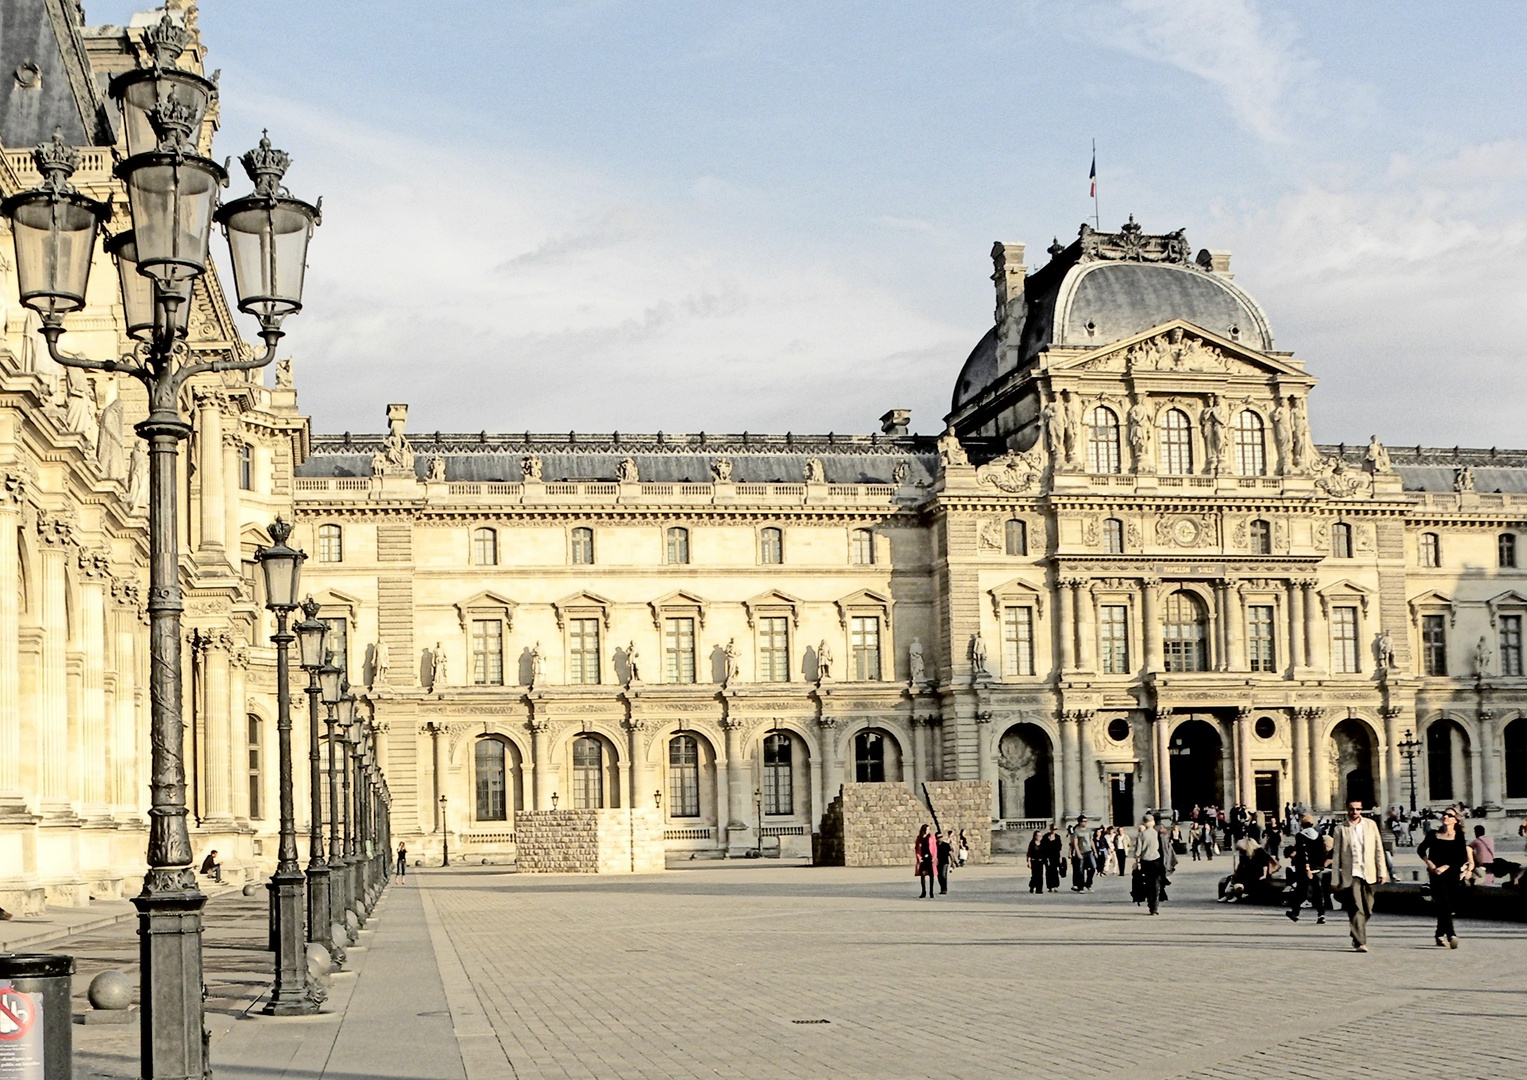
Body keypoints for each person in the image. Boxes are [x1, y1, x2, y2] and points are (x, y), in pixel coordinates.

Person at [1330, 799, 1389, 952]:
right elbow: (1336, 856)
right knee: (1356, 907)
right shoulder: (1340, 829)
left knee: (1368, 908)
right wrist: (1335, 878)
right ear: (1347, 809)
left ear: (1362, 810)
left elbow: (1378, 849)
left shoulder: (1371, 825)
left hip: (1368, 871)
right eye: (1352, 809)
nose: (1354, 812)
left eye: (1358, 809)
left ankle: (1355, 930)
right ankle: (1361, 941)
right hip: (1351, 873)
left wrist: (1382, 871)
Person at [1418, 809, 1473, 947]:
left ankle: (1438, 933)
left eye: (1450, 815)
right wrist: (1429, 863)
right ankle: (1451, 934)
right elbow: (1421, 849)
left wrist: (1446, 866)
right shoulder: (1433, 834)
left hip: (1452, 874)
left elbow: (1461, 857)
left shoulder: (1459, 836)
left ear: (1456, 820)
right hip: (1436, 875)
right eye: (1444, 814)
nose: (1446, 817)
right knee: (1444, 903)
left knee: (1448, 905)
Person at [1285, 814, 1328, 925]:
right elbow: (1322, 851)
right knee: (1318, 891)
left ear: (1302, 824)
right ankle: (1321, 914)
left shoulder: (1300, 836)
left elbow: (1304, 853)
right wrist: (1320, 866)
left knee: (1301, 891)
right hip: (1317, 867)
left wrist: (1307, 868)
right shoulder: (1318, 835)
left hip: (1305, 868)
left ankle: (1295, 913)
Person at [1132, 814, 1165, 915]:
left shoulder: (1142, 834)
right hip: (1156, 860)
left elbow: (1138, 851)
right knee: (1156, 884)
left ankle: (1150, 904)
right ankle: (1154, 906)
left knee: (1147, 883)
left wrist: (1136, 862)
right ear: (1153, 822)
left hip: (1145, 861)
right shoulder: (1156, 833)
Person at [1069, 815, 1095, 892]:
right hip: (1082, 852)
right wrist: (1078, 853)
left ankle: (1088, 883)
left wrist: (1095, 851)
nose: (1085, 823)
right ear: (1080, 822)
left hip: (1089, 851)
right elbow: (1075, 843)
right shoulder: (1076, 831)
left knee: (1093, 867)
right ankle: (1081, 887)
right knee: (1080, 870)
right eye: (1083, 821)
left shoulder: (1088, 830)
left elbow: (1091, 840)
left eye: (1086, 821)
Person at [1039, 823, 1064, 892]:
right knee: (1049, 871)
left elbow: (1059, 848)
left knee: (1055, 871)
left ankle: (1056, 885)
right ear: (1050, 829)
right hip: (1047, 856)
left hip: (1055, 856)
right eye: (1053, 829)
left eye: (1055, 829)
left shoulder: (1058, 837)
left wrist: (1060, 857)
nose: (1054, 831)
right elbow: (1043, 848)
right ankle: (1050, 886)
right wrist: (1045, 858)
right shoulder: (1045, 837)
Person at [914, 824, 936, 899]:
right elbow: (917, 849)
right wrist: (919, 857)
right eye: (926, 829)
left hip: (930, 858)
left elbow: (934, 848)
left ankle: (931, 891)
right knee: (922, 874)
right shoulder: (919, 838)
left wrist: (934, 857)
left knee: (931, 875)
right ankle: (923, 891)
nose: (928, 831)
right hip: (923, 858)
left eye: (929, 829)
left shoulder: (931, 837)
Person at [1025, 830, 1044, 894]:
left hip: (1040, 861)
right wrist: (1029, 862)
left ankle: (1039, 889)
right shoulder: (1032, 843)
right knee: (1035, 876)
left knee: (1040, 876)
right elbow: (1029, 853)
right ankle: (1032, 886)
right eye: (1038, 836)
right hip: (1034, 861)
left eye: (1041, 836)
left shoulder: (1042, 843)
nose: (1040, 837)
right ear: (1035, 836)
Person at [936, 831, 953, 895]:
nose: (940, 838)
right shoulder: (934, 846)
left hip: (945, 862)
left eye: (941, 837)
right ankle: (942, 888)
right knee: (939, 876)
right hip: (938, 863)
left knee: (943, 875)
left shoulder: (946, 845)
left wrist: (952, 862)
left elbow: (950, 854)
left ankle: (944, 889)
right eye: (938, 837)